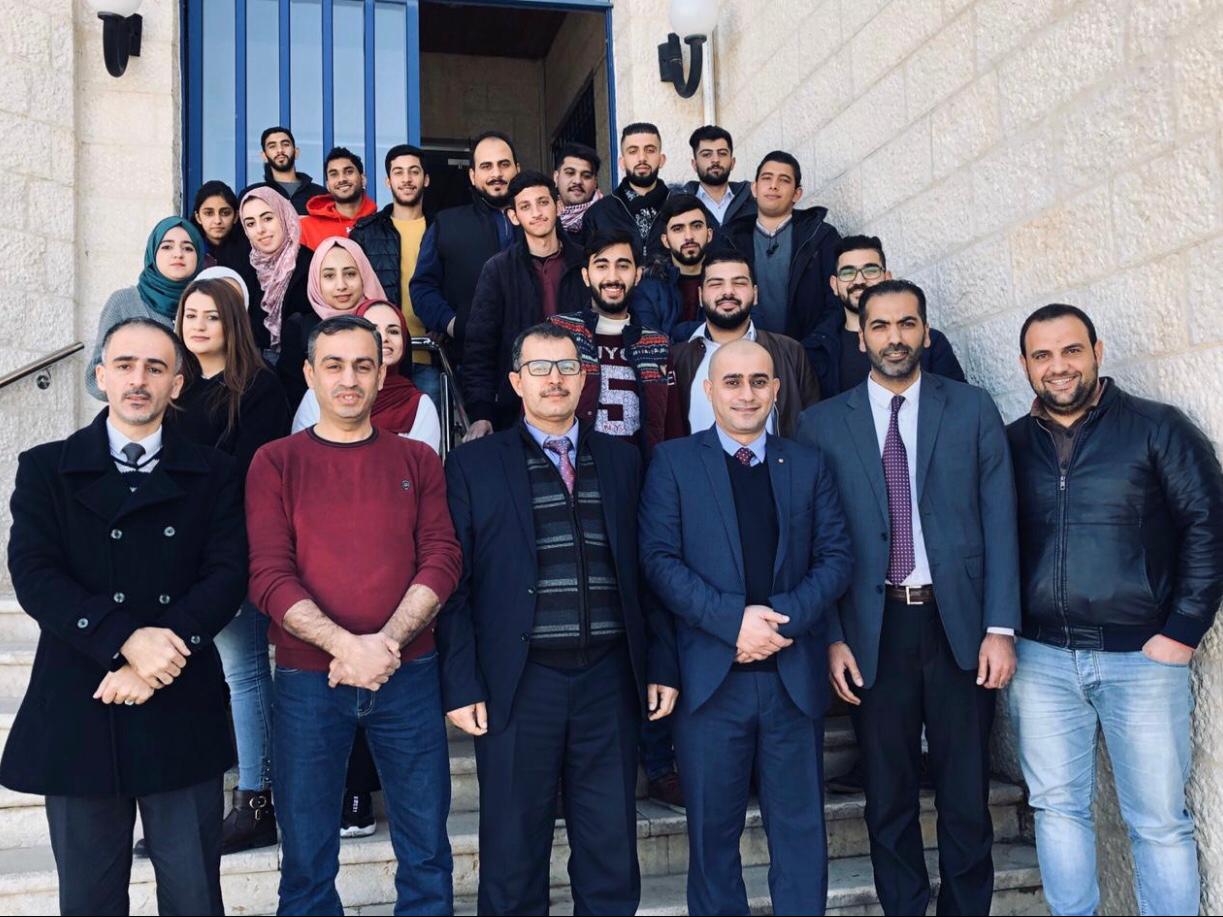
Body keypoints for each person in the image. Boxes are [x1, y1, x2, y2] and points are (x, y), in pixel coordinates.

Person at [4, 317, 248, 915]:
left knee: (194, 898)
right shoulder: (46, 468)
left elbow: (227, 575)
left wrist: (154, 659)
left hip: (180, 702)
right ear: (101, 376)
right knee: (88, 900)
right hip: (82, 703)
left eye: (155, 368)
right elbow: (34, 574)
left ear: (177, 384)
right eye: (125, 365)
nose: (139, 379)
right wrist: (124, 642)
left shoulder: (216, 473)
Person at [438, 322, 679, 915]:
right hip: (520, 683)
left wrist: (661, 664)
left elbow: (648, 571)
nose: (555, 379)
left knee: (610, 854)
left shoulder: (623, 461)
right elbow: (455, 587)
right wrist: (461, 682)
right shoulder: (473, 465)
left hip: (609, 679)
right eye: (540, 368)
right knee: (512, 856)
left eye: (568, 367)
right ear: (516, 381)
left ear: (584, 378)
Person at [796, 279, 1020, 915]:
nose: (894, 337)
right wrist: (832, 636)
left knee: (965, 793)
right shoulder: (820, 424)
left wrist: (1000, 627)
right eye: (881, 325)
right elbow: (814, 543)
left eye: (907, 324)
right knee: (888, 795)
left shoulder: (972, 408)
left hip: (960, 628)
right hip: (874, 630)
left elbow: (1001, 521)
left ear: (925, 331)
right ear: (861, 336)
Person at [1005, 304, 1223, 917]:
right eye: (1043, 355)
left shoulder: (1158, 428)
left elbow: (1207, 525)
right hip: (1042, 658)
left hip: (1142, 658)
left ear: (1097, 352)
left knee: (1158, 821)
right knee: (1056, 810)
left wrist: (1183, 630)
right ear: (1025, 365)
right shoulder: (1012, 444)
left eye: (1071, 350)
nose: (1058, 366)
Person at [246, 314, 462, 915]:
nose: (350, 379)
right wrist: (347, 647)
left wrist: (383, 644)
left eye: (363, 366)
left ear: (381, 374)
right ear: (309, 374)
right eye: (334, 366)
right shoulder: (275, 462)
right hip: (308, 683)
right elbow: (268, 575)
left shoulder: (418, 460)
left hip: (409, 675)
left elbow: (442, 558)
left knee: (426, 850)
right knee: (307, 858)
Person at [640, 338, 852, 914]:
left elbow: (836, 558)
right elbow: (658, 560)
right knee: (712, 841)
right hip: (712, 682)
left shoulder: (807, 463)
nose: (746, 394)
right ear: (709, 390)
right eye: (732, 382)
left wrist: (779, 624)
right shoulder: (674, 463)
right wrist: (732, 623)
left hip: (791, 679)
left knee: (801, 838)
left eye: (759, 381)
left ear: (776, 390)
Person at [164, 276, 289, 857]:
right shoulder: (172, 386)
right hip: (170, 554)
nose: (198, 325)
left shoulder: (257, 388)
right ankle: (183, 806)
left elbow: (246, 474)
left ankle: (256, 802)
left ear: (232, 322)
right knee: (184, 674)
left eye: (211, 316)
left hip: (228, 549)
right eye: (190, 315)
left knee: (243, 672)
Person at [463, 171, 588, 437]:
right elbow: (479, 348)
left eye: (543, 202)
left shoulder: (585, 263)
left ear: (558, 206)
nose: (537, 213)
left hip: (580, 397)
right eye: (525, 206)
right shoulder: (498, 270)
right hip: (517, 407)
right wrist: (482, 413)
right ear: (513, 216)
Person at [547, 230, 684, 460]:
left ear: (637, 275)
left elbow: (672, 428)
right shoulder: (559, 333)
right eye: (602, 266)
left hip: (639, 476)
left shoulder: (658, 345)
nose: (613, 276)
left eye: (623, 266)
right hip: (574, 473)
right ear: (586, 276)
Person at [673, 252, 819, 437]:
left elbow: (813, 427)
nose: (728, 292)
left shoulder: (790, 352)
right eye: (716, 284)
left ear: (755, 294)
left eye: (739, 283)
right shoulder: (676, 359)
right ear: (701, 296)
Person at [806, 235, 965, 398]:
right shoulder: (816, 351)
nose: (859, 280)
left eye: (870, 270)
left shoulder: (930, 342)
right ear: (834, 284)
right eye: (847, 273)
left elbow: (959, 403)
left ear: (887, 277)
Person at [411, 130, 520, 359]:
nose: (496, 173)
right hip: (469, 359)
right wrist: (451, 323)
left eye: (504, 164)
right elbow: (422, 288)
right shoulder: (446, 224)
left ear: (517, 169)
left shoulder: (540, 221)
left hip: (537, 360)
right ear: (472, 175)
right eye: (486, 166)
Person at [349, 144, 441, 406]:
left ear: (426, 179)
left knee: (428, 429)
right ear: (388, 181)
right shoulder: (366, 232)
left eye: (414, 171)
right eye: (398, 172)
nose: (407, 179)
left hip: (429, 356)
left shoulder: (444, 229)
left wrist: (443, 324)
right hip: (379, 359)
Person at [722, 151, 841, 342]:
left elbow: (836, 301)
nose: (773, 185)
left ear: (797, 194)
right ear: (754, 188)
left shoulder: (821, 237)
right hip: (746, 351)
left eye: (784, 180)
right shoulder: (729, 240)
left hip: (807, 352)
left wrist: (814, 347)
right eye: (767, 178)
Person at [293, 299, 441, 452]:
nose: (384, 338)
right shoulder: (319, 391)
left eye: (394, 331)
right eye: (373, 331)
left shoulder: (419, 404)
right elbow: (301, 455)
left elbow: (422, 463)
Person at [86, 216, 205, 401]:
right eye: (167, 247)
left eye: (188, 248)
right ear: (153, 253)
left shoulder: (207, 304)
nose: (178, 254)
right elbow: (94, 379)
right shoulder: (124, 302)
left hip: (198, 414)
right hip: (142, 414)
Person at [279, 237, 387, 408]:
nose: (341, 285)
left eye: (350, 274)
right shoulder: (299, 328)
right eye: (329, 276)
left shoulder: (386, 324)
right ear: (316, 280)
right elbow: (292, 397)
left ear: (364, 275)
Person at [236, 185, 313, 364]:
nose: (260, 229)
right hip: (256, 371)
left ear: (284, 215)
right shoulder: (243, 270)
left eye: (268, 218)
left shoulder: (312, 263)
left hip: (303, 370)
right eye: (250, 223)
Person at [582, 122, 674, 259]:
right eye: (633, 151)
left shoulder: (680, 208)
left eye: (650, 150)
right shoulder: (598, 214)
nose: (642, 158)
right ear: (622, 162)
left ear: (661, 160)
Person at [631, 193, 715, 342]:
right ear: (665, 240)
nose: (689, 236)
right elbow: (650, 344)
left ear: (709, 235)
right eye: (678, 229)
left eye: (696, 226)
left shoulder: (729, 281)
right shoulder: (647, 289)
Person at [299, 146, 378, 251]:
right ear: (328, 185)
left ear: (363, 179)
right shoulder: (306, 228)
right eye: (334, 174)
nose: (342, 179)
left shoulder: (382, 225)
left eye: (349, 172)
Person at [683, 124, 756, 229]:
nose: (716, 160)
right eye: (706, 154)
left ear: (732, 162)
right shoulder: (681, 202)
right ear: (694, 164)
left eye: (722, 153)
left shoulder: (752, 198)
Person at [259, 125, 326, 215]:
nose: (280, 150)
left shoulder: (320, 194)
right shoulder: (256, 194)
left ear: (296, 152)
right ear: (264, 156)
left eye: (285, 144)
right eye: (272, 146)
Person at [190, 180, 250, 271]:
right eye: (209, 213)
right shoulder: (189, 251)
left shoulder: (251, 254)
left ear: (236, 216)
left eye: (225, 213)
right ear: (198, 217)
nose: (217, 221)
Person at [553, 142, 602, 237]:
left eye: (586, 176)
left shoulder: (609, 219)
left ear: (595, 182)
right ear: (556, 178)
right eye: (570, 173)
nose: (578, 181)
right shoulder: (543, 219)